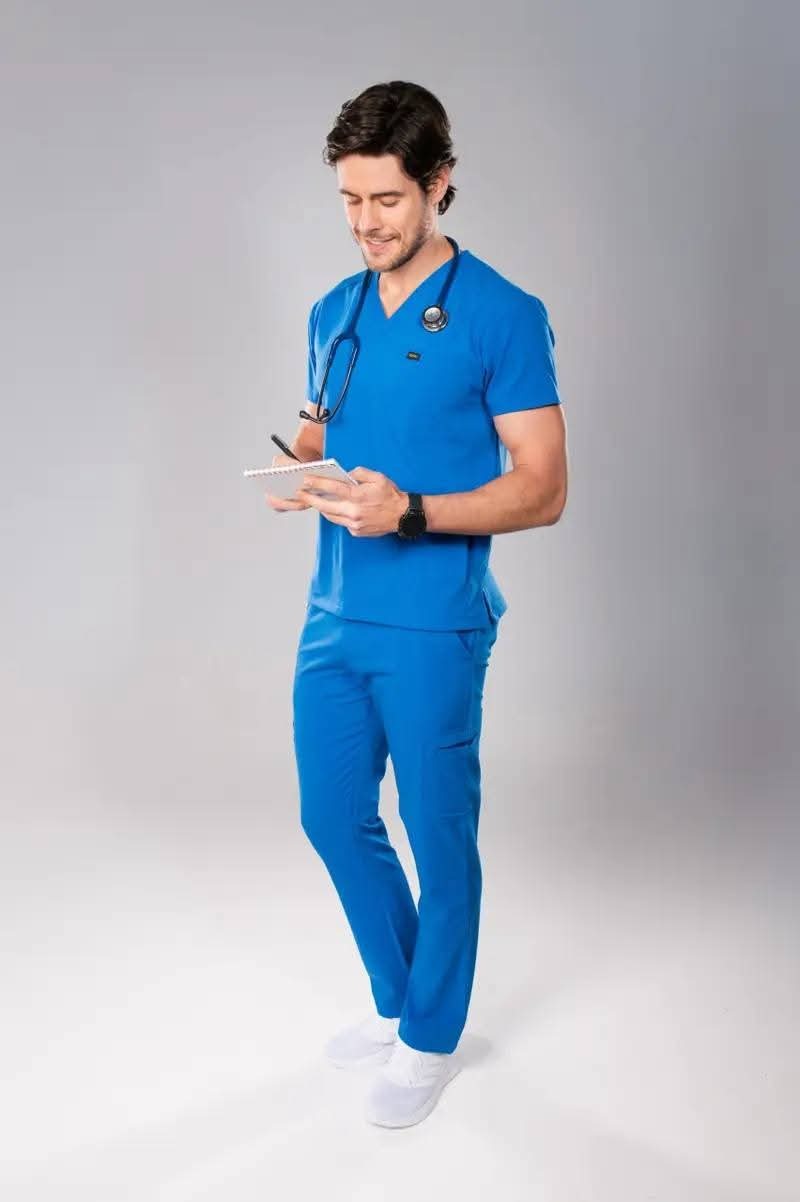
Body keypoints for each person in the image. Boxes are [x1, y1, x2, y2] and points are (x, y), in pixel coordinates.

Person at [266, 80, 567, 1128]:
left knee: (438, 836)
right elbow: (321, 432)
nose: (365, 222)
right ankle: (401, 1002)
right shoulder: (333, 311)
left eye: (386, 199)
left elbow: (543, 487)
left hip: (435, 618)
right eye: (349, 200)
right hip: (334, 612)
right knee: (329, 813)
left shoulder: (503, 315)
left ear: (439, 184)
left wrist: (410, 510)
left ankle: (430, 1038)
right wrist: (296, 470)